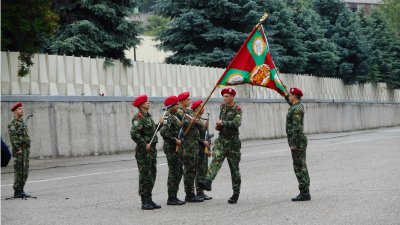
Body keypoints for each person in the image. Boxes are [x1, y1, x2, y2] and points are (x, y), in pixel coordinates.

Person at [198, 88, 243, 204]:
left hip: (233, 142)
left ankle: (235, 193)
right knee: (216, 160)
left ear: (233, 97)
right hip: (222, 140)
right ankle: (208, 181)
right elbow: (221, 121)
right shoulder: (222, 107)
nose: (225, 98)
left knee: (234, 169)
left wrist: (222, 123)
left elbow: (236, 123)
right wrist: (219, 127)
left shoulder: (237, 109)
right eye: (224, 96)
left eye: (227, 96)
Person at [130, 95, 163, 210]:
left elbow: (152, 130)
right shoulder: (138, 117)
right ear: (140, 104)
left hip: (151, 151)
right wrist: (144, 144)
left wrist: (159, 125)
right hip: (144, 151)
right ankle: (144, 201)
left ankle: (149, 199)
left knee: (151, 174)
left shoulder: (147, 116)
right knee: (145, 176)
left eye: (148, 101)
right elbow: (134, 133)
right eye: (146, 101)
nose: (148, 103)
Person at [177, 92, 204, 202]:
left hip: (194, 144)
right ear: (182, 101)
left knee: (193, 169)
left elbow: (198, 123)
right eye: (188, 99)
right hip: (186, 145)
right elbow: (181, 124)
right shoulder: (179, 112)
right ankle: (189, 193)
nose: (190, 101)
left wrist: (196, 121)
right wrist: (191, 122)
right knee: (188, 169)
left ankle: (192, 192)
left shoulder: (189, 112)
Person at [285, 87, 311, 201]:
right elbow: (288, 98)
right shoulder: (295, 106)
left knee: (300, 166)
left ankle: (304, 192)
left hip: (298, 141)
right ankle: (304, 191)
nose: (288, 97)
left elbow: (297, 128)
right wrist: (282, 89)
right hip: (298, 140)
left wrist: (293, 142)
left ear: (294, 96)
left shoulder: (296, 109)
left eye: (290, 95)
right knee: (299, 166)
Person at [160, 96, 186, 205]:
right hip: (171, 148)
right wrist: (175, 140)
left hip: (177, 147)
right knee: (174, 172)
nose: (178, 106)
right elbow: (164, 132)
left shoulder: (174, 116)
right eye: (176, 105)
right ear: (171, 106)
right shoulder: (167, 117)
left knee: (179, 171)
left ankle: (174, 195)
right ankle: (171, 197)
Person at [8, 102, 31, 198]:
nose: (22, 110)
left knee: (25, 171)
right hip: (19, 150)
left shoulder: (22, 122)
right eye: (19, 109)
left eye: (22, 108)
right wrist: (17, 149)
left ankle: (21, 189)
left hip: (25, 150)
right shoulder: (12, 123)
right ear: (14, 111)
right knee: (19, 171)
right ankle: (17, 190)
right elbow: (13, 138)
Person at [191, 100, 212, 200]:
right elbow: (195, 135)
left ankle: (201, 191)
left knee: (203, 170)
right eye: (201, 106)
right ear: (196, 109)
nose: (203, 108)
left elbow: (206, 135)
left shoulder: (202, 120)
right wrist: (202, 142)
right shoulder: (194, 119)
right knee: (199, 170)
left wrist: (208, 147)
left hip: (204, 147)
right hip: (198, 147)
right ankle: (199, 192)